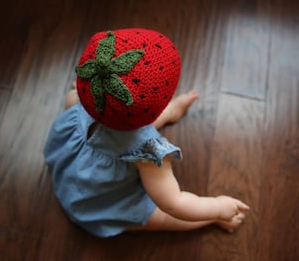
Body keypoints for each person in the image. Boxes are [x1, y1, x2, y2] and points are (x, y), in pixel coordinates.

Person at [44, 28, 250, 238]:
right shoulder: (146, 153)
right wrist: (216, 207)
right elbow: (174, 203)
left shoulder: (79, 100)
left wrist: (167, 111)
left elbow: (122, 121)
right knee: (163, 218)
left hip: (66, 174)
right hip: (96, 208)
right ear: (156, 109)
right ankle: (213, 221)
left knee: (118, 120)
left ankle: (170, 112)